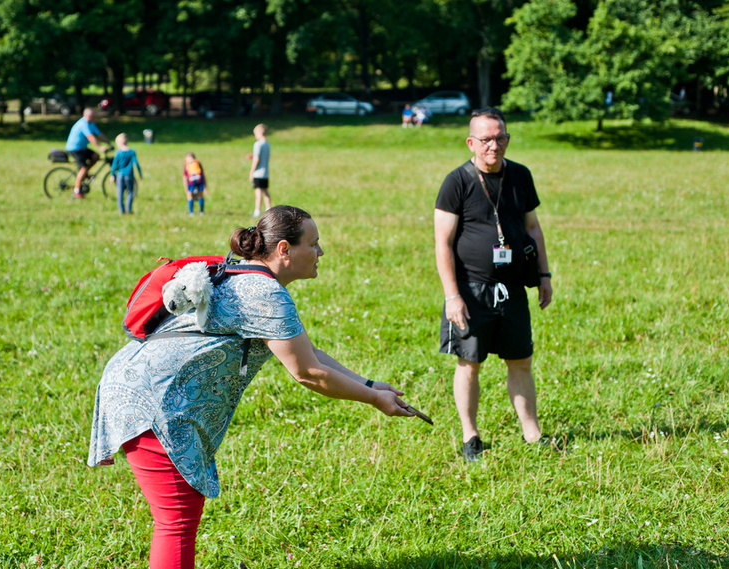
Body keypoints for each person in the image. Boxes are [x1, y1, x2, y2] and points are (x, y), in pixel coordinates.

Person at [88, 205, 413, 569]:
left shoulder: (250, 277)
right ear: (284, 250)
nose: (321, 253)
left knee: (179, 518)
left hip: (142, 390)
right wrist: (373, 399)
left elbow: (307, 352)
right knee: (177, 519)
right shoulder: (265, 294)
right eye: (315, 244)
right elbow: (308, 372)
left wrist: (369, 384)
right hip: (152, 403)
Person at [433, 107, 553, 462]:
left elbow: (533, 227)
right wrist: (452, 296)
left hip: (513, 288)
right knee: (469, 363)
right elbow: (442, 242)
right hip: (470, 290)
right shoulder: (456, 182)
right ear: (471, 142)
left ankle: (532, 433)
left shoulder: (520, 176)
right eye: (486, 139)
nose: (494, 145)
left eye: (500, 138)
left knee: (521, 361)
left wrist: (544, 276)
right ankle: (471, 437)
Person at [65, 108, 110, 199]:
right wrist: (100, 147)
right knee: (83, 168)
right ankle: (76, 191)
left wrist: (108, 143)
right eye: (93, 116)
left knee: (96, 156)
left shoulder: (91, 123)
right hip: (74, 149)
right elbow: (91, 137)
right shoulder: (83, 124)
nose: (95, 118)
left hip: (82, 148)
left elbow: (99, 134)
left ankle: (85, 174)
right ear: (87, 116)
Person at [109, 133, 142, 214]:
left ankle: (121, 211)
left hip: (120, 176)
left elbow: (114, 165)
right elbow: (136, 164)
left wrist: (112, 175)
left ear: (119, 143)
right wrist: (140, 174)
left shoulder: (118, 153)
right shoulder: (132, 152)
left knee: (119, 193)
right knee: (130, 192)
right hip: (129, 175)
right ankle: (128, 209)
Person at [249, 123, 271, 218]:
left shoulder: (257, 144)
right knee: (265, 191)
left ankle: (257, 211)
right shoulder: (267, 144)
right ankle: (269, 209)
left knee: (258, 192)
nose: (255, 135)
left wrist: (251, 172)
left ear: (260, 132)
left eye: (255, 133)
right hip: (265, 172)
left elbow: (257, 159)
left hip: (258, 172)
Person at [182, 152, 208, 216]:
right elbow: (203, 174)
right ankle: (201, 212)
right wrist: (205, 187)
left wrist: (186, 189)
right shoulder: (198, 163)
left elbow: (184, 177)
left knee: (190, 195)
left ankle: (191, 213)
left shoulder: (186, 165)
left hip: (191, 182)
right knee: (200, 195)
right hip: (199, 180)